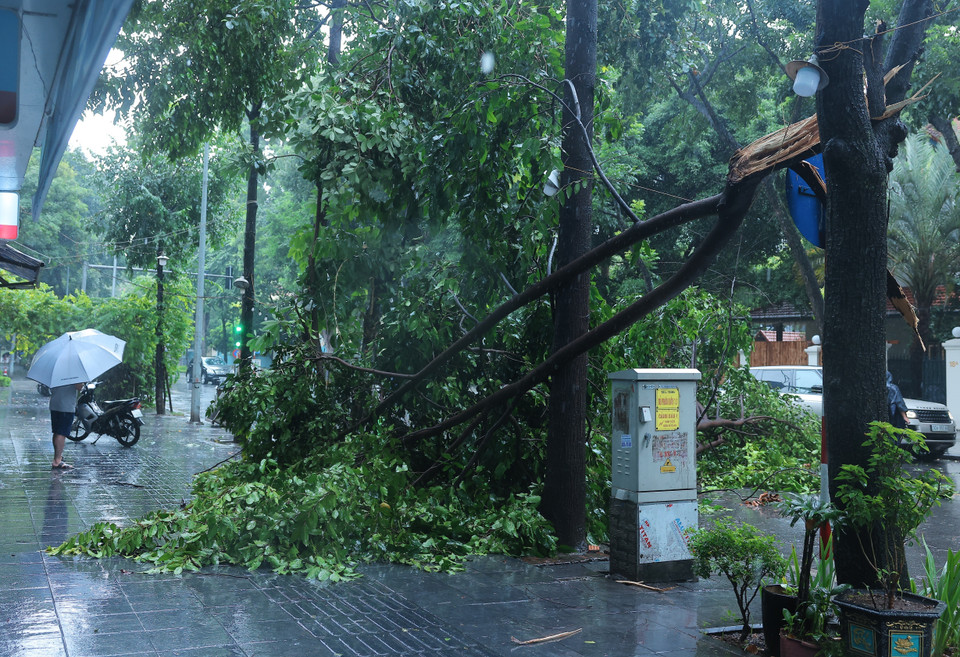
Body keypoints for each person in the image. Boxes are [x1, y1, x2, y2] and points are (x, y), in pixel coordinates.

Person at [50, 382, 83, 469]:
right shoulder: (73, 373)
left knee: (57, 432)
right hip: (66, 406)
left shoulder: (56, 371)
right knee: (62, 433)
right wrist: (81, 383)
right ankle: (57, 461)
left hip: (55, 404)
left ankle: (57, 457)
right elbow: (79, 387)